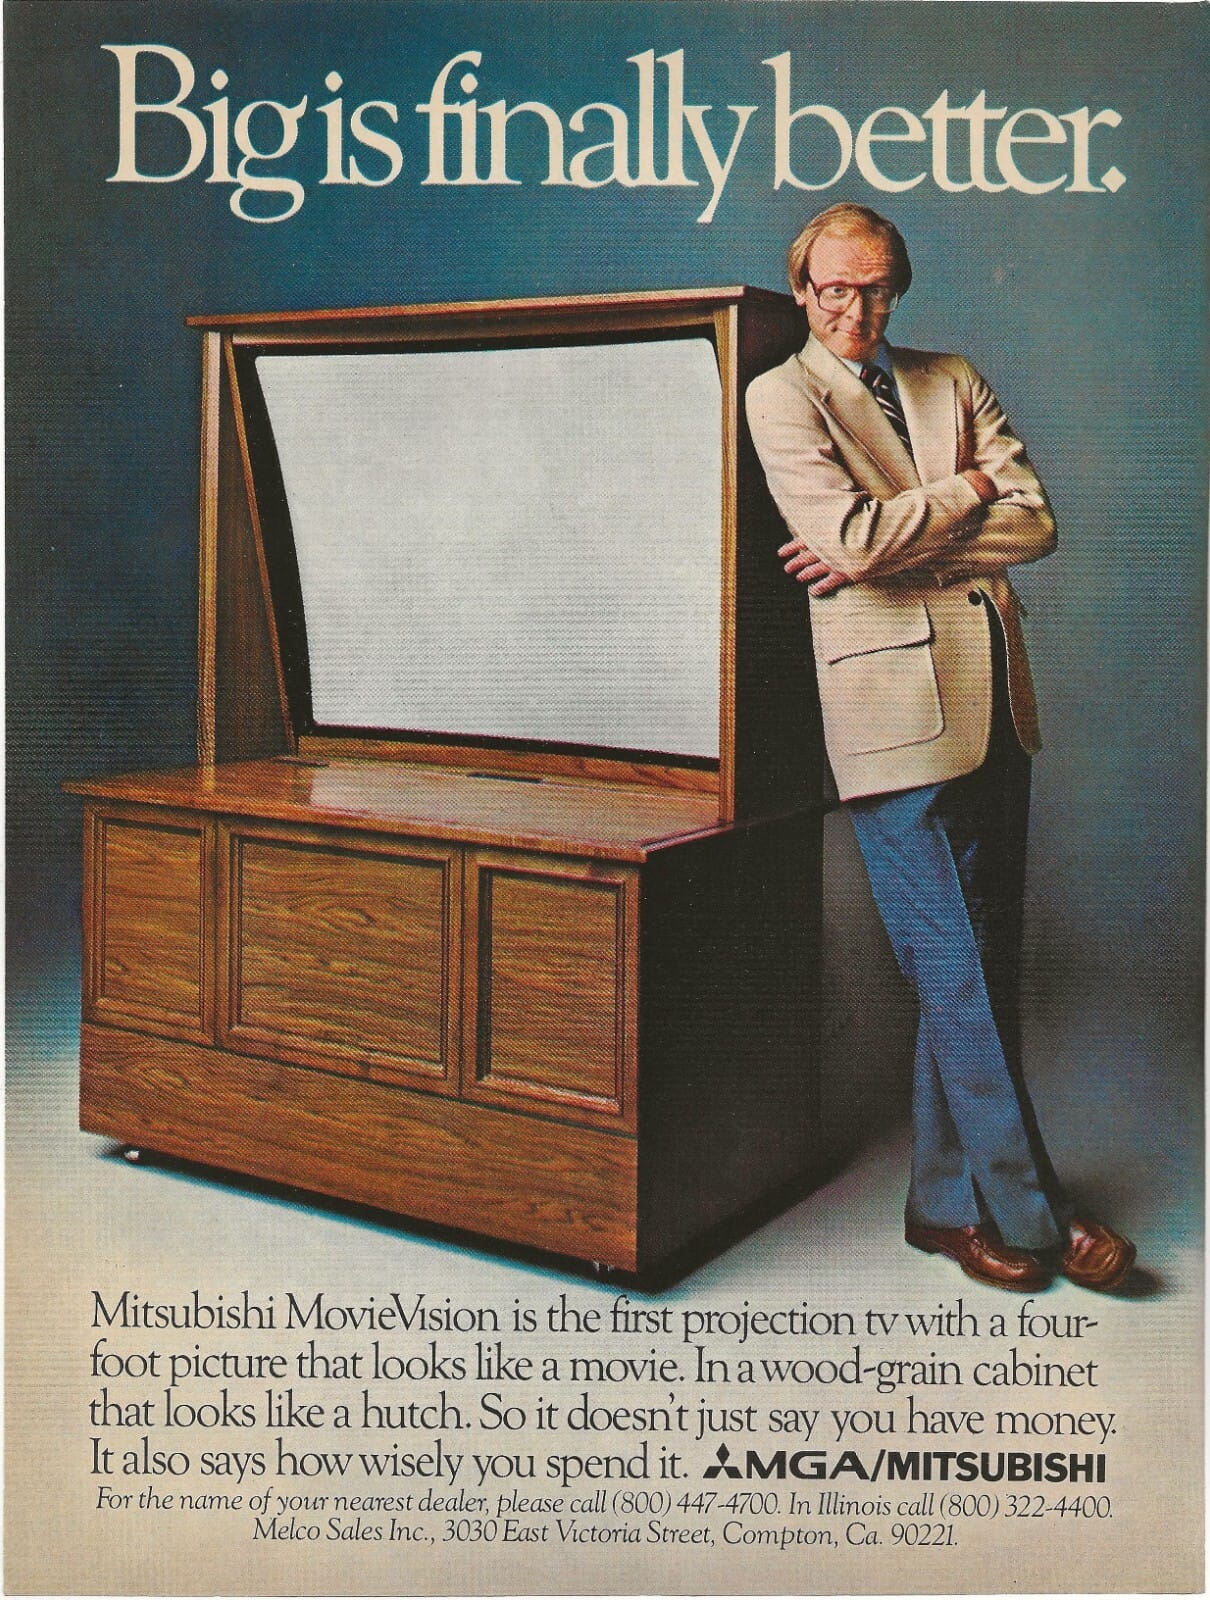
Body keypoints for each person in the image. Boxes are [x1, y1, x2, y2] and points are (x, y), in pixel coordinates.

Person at [745, 202, 1135, 1293]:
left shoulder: (950, 378)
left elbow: (1036, 522)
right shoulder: (781, 396)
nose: (854, 309)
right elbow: (846, 537)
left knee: (976, 967)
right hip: (890, 720)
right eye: (833, 289)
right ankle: (1037, 1211)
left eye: (873, 288)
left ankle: (941, 1204)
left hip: (995, 700)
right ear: (804, 290)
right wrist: (965, 492)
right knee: (955, 970)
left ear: (897, 287)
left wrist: (890, 544)